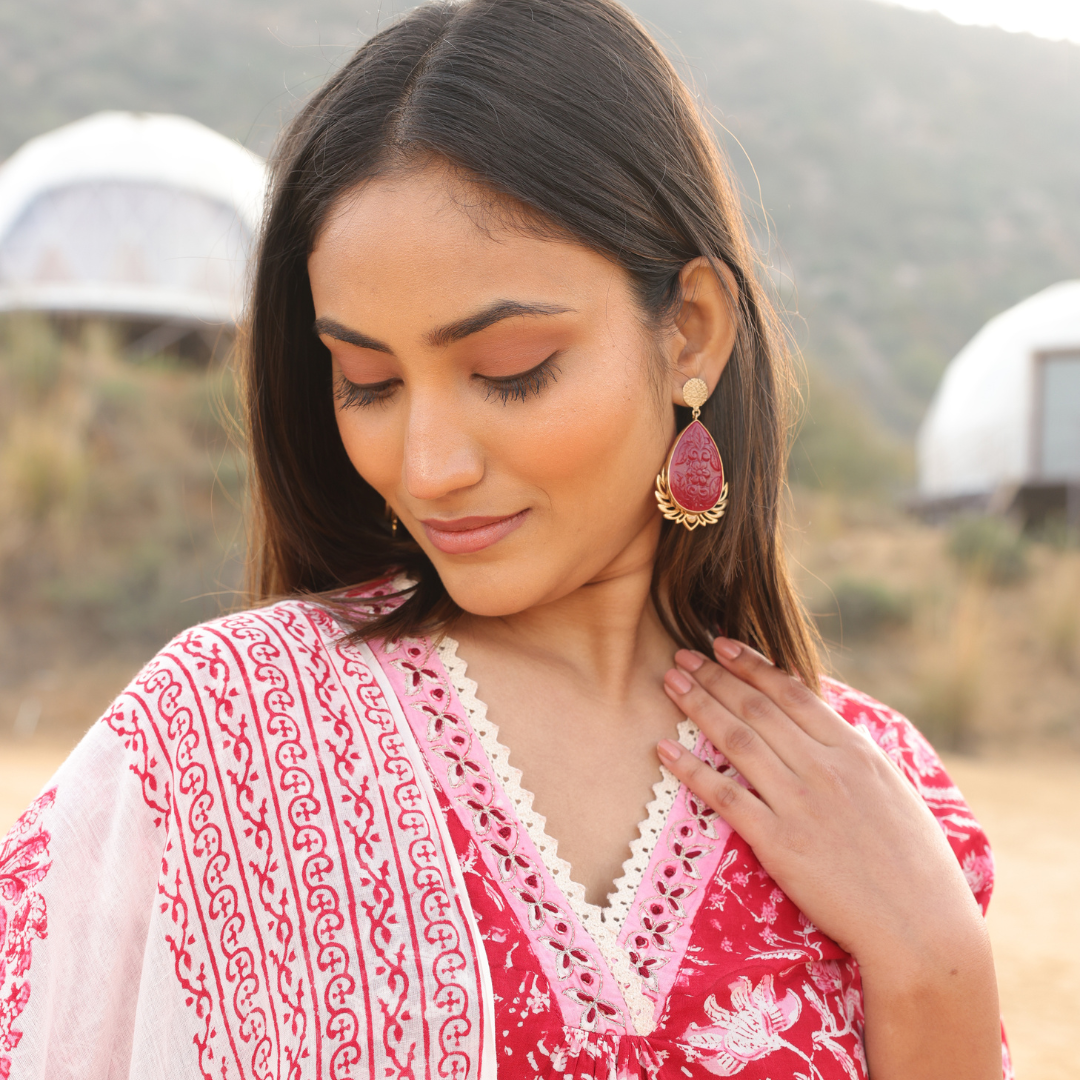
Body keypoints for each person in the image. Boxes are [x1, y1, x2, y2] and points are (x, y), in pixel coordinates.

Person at [0, 1, 1010, 1077]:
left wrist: (934, 964)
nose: (428, 465)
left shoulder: (883, 785)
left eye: (510, 369)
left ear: (691, 334)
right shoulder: (215, 737)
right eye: (369, 384)